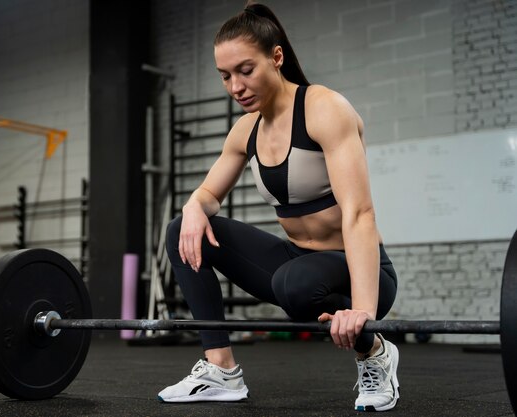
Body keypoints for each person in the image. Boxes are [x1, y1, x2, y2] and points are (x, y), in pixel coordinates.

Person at [157, 2, 399, 412]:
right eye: (225, 76)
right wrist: (195, 206)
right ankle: (221, 369)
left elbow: (359, 214)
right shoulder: (245, 130)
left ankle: (374, 351)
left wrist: (362, 310)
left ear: (277, 57)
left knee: (296, 284)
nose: (235, 86)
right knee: (181, 228)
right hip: (294, 264)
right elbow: (208, 194)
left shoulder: (324, 109)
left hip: (359, 267)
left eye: (245, 70)